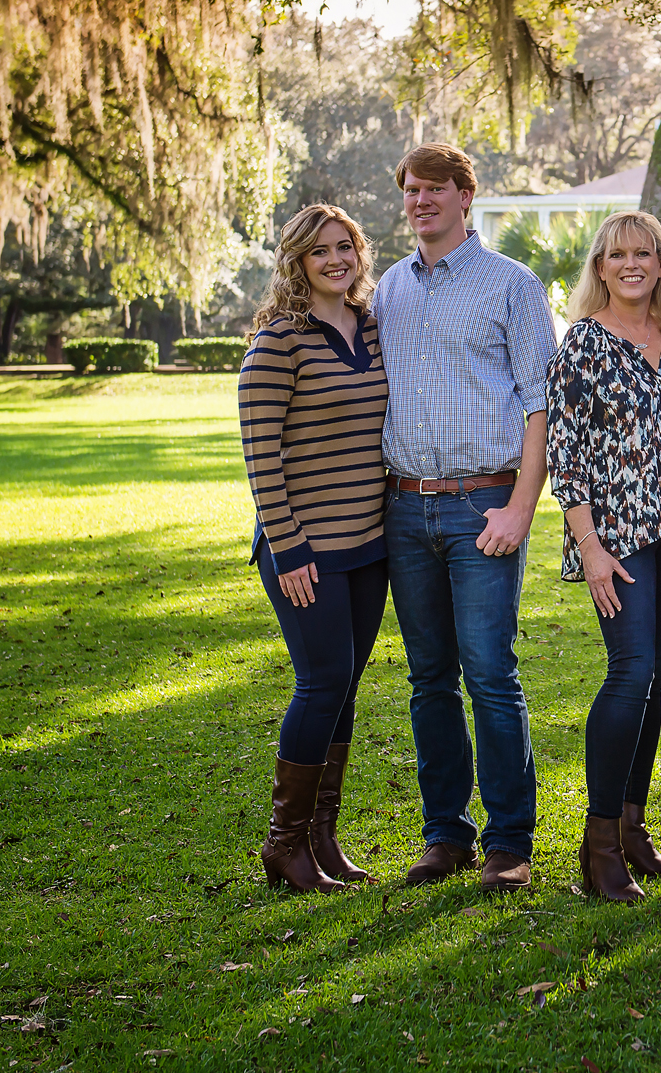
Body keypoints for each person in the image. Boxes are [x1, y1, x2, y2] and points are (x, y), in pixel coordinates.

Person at [374, 143, 557, 893]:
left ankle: (509, 840)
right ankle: (444, 832)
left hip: (485, 503)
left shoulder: (511, 284)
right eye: (411, 189)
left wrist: (521, 504)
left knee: (489, 672)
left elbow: (544, 404)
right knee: (428, 679)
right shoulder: (388, 287)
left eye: (434, 189)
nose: (421, 201)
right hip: (404, 505)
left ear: (465, 197)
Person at [546, 212, 661, 902]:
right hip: (615, 537)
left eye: (646, 252)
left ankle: (635, 830)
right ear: (601, 267)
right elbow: (566, 454)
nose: (633, 263)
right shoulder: (584, 343)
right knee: (629, 671)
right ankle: (598, 844)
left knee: (655, 677)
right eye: (619, 254)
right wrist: (591, 548)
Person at [239, 203, 390, 893]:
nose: (336, 259)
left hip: (367, 544)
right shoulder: (278, 342)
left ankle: (323, 836)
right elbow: (260, 455)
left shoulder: (371, 328)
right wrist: (289, 545)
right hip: (304, 550)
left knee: (345, 685)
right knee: (321, 680)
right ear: (297, 262)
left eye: (345, 247)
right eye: (320, 251)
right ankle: (284, 843)